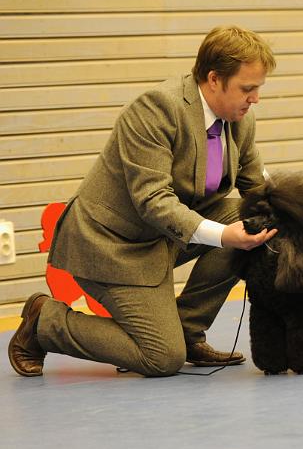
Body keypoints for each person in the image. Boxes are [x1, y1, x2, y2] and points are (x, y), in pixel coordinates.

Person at [8, 25, 278, 377]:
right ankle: (45, 321)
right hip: (113, 245)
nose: (255, 98)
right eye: (248, 88)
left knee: (253, 220)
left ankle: (187, 332)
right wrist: (226, 236)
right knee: (162, 358)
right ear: (214, 79)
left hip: (163, 236)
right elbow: (153, 201)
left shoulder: (239, 119)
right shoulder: (157, 109)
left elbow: (258, 192)